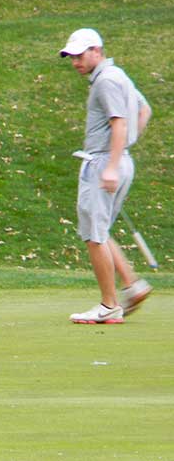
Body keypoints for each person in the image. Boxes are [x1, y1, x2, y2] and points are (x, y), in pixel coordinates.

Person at [59, 28, 153, 324]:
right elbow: (144, 110)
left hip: (104, 162)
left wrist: (112, 164)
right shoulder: (118, 76)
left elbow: (119, 123)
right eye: (72, 57)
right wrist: (124, 151)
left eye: (80, 55)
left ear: (96, 51)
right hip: (116, 159)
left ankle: (109, 305)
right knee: (100, 229)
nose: (76, 62)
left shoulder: (106, 82)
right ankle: (133, 285)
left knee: (93, 235)